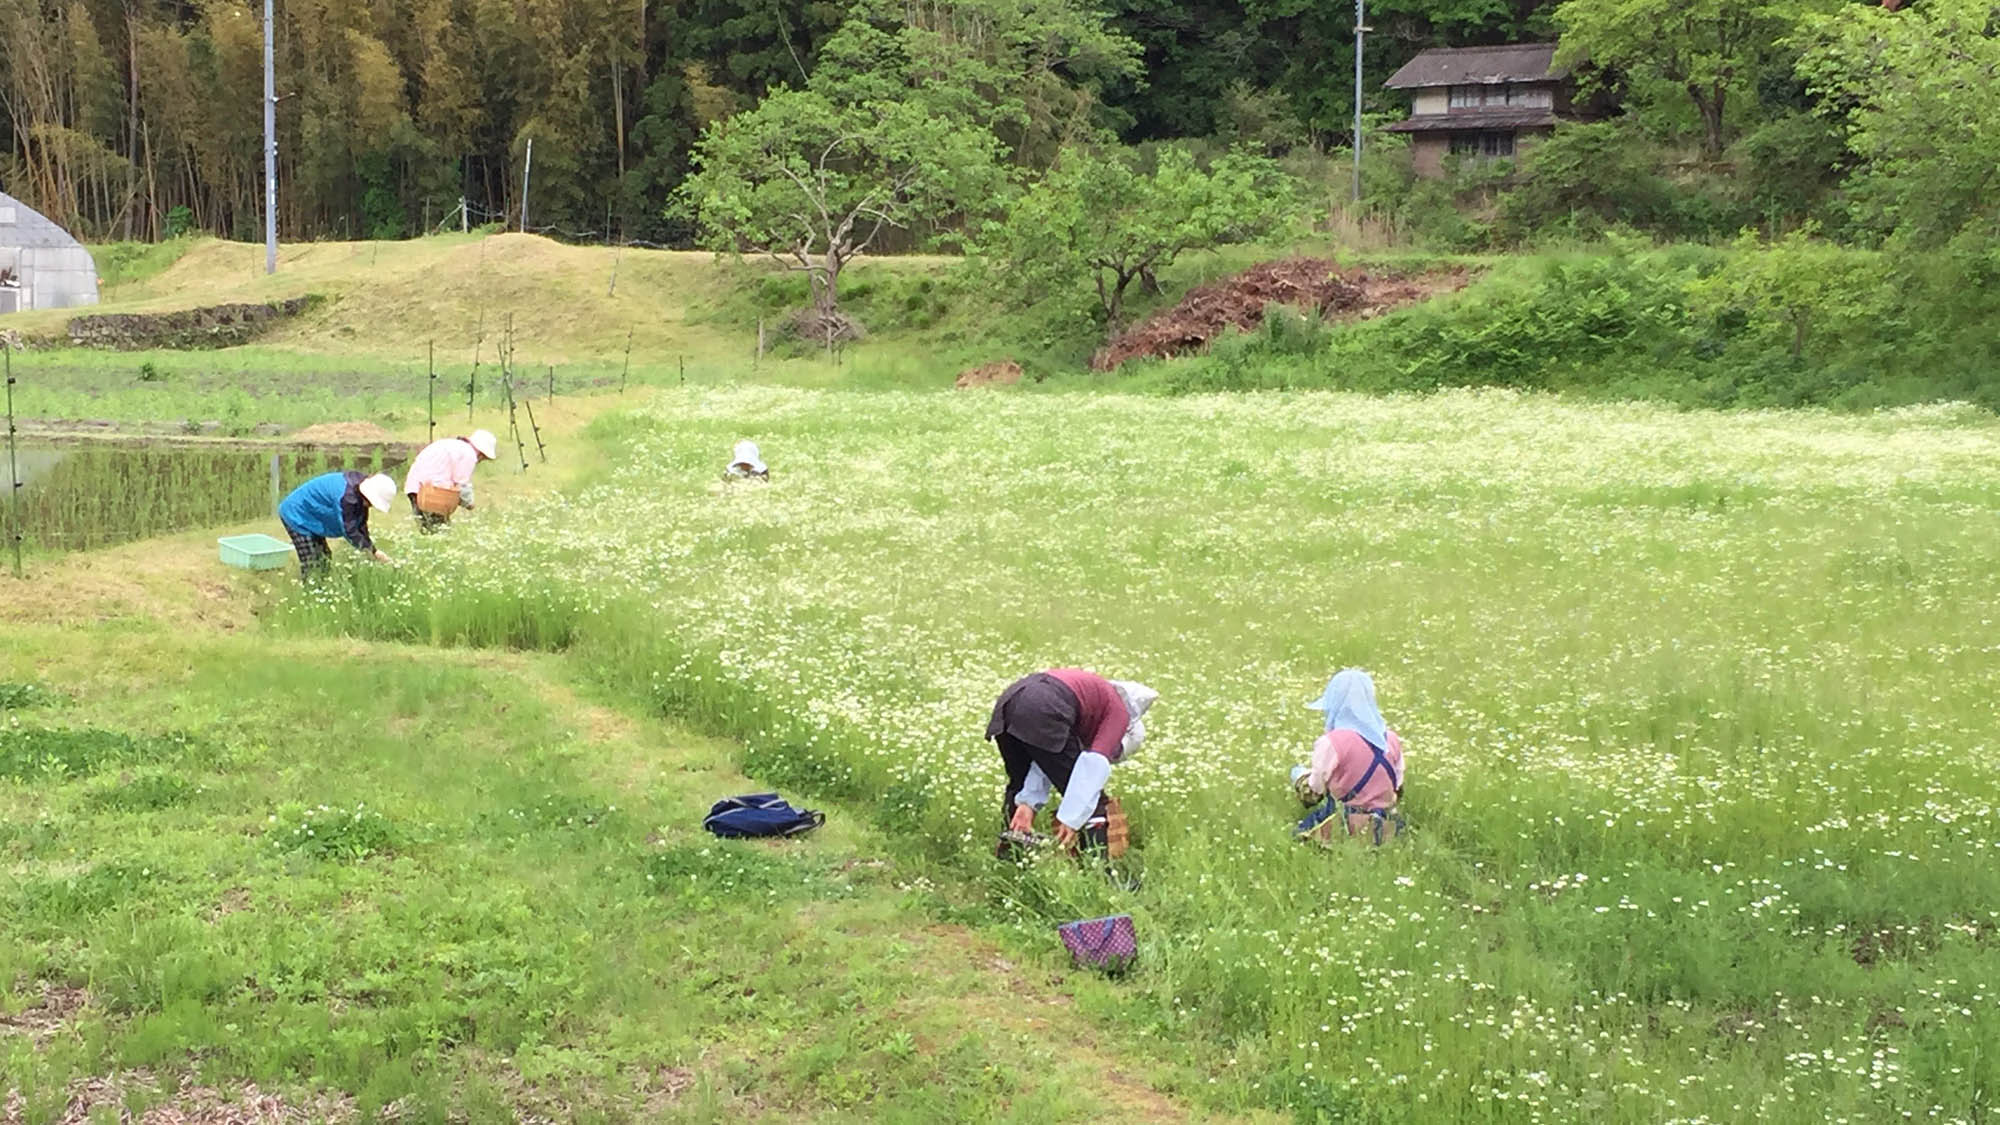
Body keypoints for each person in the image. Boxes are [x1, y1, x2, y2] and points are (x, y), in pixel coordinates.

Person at [987, 668, 1157, 855]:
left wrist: (1027, 803)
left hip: (1009, 701)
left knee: (1020, 782)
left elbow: (1047, 759)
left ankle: (1010, 857)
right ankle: (1098, 867)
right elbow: (1093, 766)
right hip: (1047, 706)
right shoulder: (1118, 714)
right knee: (1094, 800)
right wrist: (1072, 819)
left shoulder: (1093, 704)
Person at [1292, 669, 1406, 845]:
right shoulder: (1391, 738)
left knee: (1297, 838)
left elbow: (1316, 789)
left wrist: (1299, 777)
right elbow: (1398, 786)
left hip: (1345, 821)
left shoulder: (1331, 742)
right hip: (1387, 824)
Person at [278, 470, 396, 580]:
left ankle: (321, 586)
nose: (371, 506)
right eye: (371, 503)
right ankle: (311, 590)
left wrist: (371, 549)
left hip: (312, 515)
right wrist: (372, 552)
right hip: (296, 514)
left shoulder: (358, 490)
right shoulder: (347, 498)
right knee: (312, 562)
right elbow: (349, 530)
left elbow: (360, 524)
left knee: (324, 558)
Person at [403, 429, 497, 531]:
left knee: (426, 527)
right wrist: (469, 503)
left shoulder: (451, 444)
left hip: (415, 486)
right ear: (481, 453)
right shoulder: (469, 454)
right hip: (435, 491)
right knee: (439, 531)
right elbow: (462, 483)